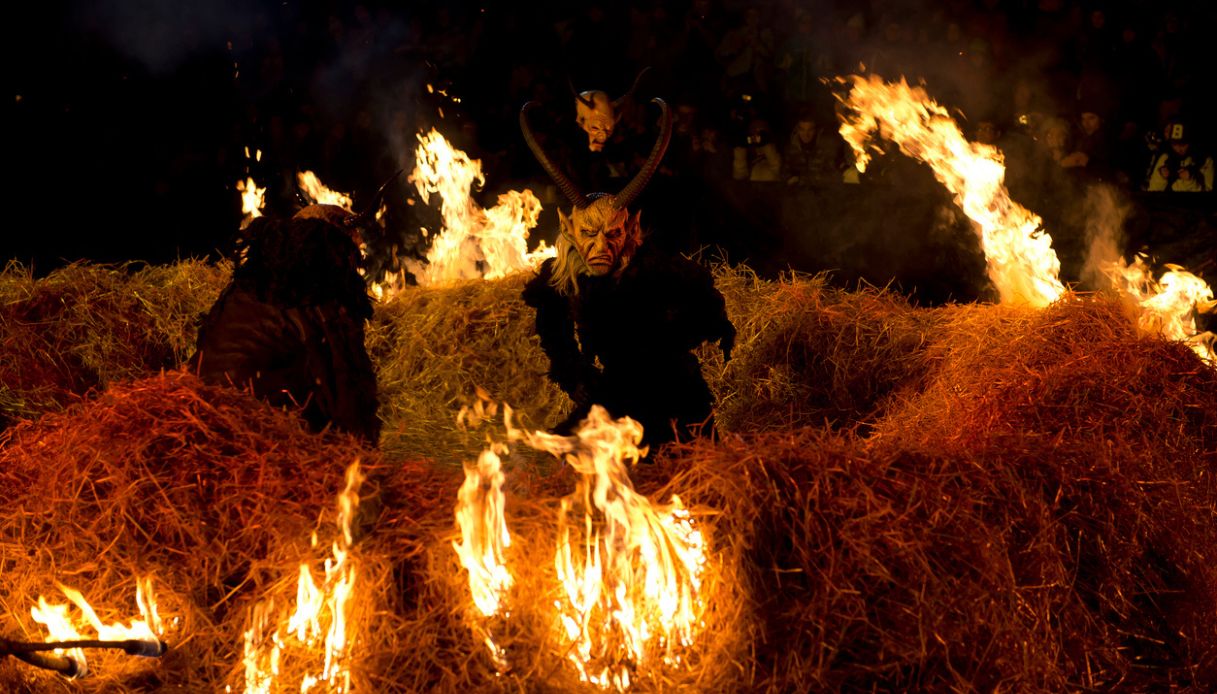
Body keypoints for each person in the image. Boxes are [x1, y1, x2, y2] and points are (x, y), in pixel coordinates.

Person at [519, 98, 735, 449]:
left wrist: (687, 336)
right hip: (612, 394)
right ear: (570, 231)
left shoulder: (661, 270)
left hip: (672, 391)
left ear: (631, 230)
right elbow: (552, 329)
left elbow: (706, 304)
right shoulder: (560, 277)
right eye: (590, 234)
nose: (601, 245)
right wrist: (574, 372)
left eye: (613, 234)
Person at [190, 203, 381, 444]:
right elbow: (348, 389)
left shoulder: (245, 288)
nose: (359, 251)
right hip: (260, 435)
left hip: (202, 420)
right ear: (335, 245)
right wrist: (365, 458)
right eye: (353, 243)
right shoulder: (322, 298)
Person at [1145, 121, 1213, 192]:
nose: (1179, 149)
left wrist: (1190, 181)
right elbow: (1152, 191)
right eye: (1174, 144)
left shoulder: (1205, 161)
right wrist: (1161, 177)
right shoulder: (1165, 158)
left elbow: (1207, 196)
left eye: (1183, 145)